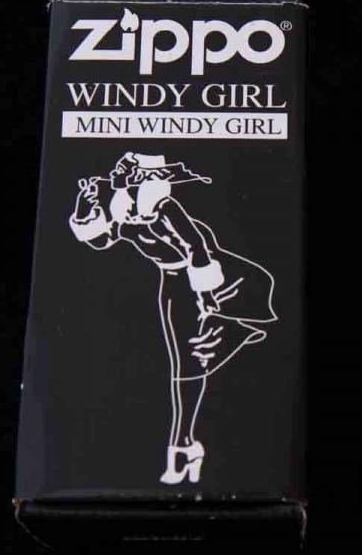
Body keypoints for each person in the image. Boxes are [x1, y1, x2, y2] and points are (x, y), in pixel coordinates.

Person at [69, 152, 277, 483]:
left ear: (143, 178)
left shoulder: (165, 208)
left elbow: (197, 248)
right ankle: (185, 446)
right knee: (184, 364)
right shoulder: (126, 214)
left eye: (125, 171)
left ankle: (182, 445)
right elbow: (100, 240)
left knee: (192, 358)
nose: (117, 176)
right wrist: (84, 208)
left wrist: (206, 294)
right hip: (174, 284)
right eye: (119, 170)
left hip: (220, 280)